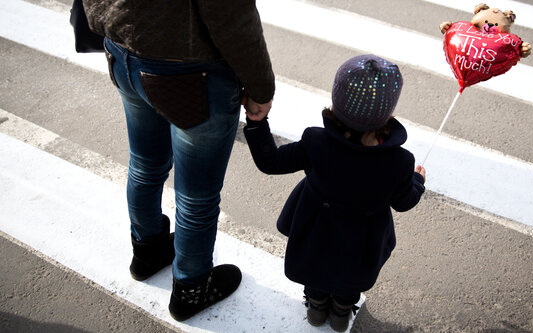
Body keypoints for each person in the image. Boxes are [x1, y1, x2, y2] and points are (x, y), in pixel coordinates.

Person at [82, 0, 275, 321]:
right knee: (196, 197)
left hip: (122, 52)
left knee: (145, 164)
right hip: (189, 70)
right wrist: (261, 88)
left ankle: (147, 251)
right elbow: (232, 17)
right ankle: (191, 288)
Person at [243, 54, 426, 332]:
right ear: (387, 110)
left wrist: (257, 124)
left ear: (338, 99)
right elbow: (404, 202)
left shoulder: (316, 141)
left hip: (316, 226)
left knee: (315, 268)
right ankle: (342, 311)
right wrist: (417, 181)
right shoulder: (399, 161)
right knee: (350, 276)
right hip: (363, 237)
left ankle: (316, 306)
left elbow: (272, 162)